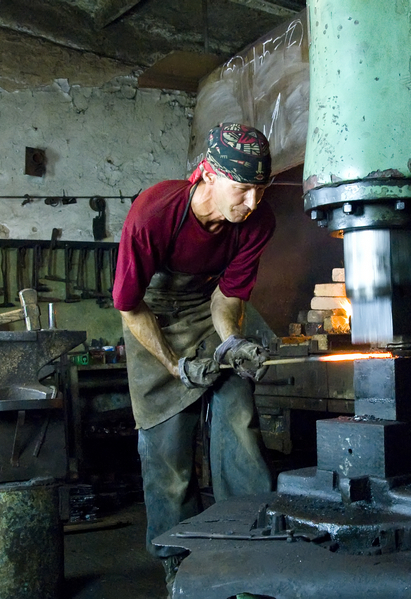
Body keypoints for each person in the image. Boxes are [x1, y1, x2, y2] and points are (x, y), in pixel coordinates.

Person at [112, 122, 275, 595]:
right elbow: (128, 305)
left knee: (240, 424)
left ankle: (250, 543)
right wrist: (172, 365)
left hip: (206, 311)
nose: (252, 204)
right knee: (168, 454)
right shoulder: (154, 214)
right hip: (152, 318)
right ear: (207, 174)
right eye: (242, 189)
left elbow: (227, 298)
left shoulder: (257, 222)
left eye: (260, 191)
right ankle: (177, 560)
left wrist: (229, 344)